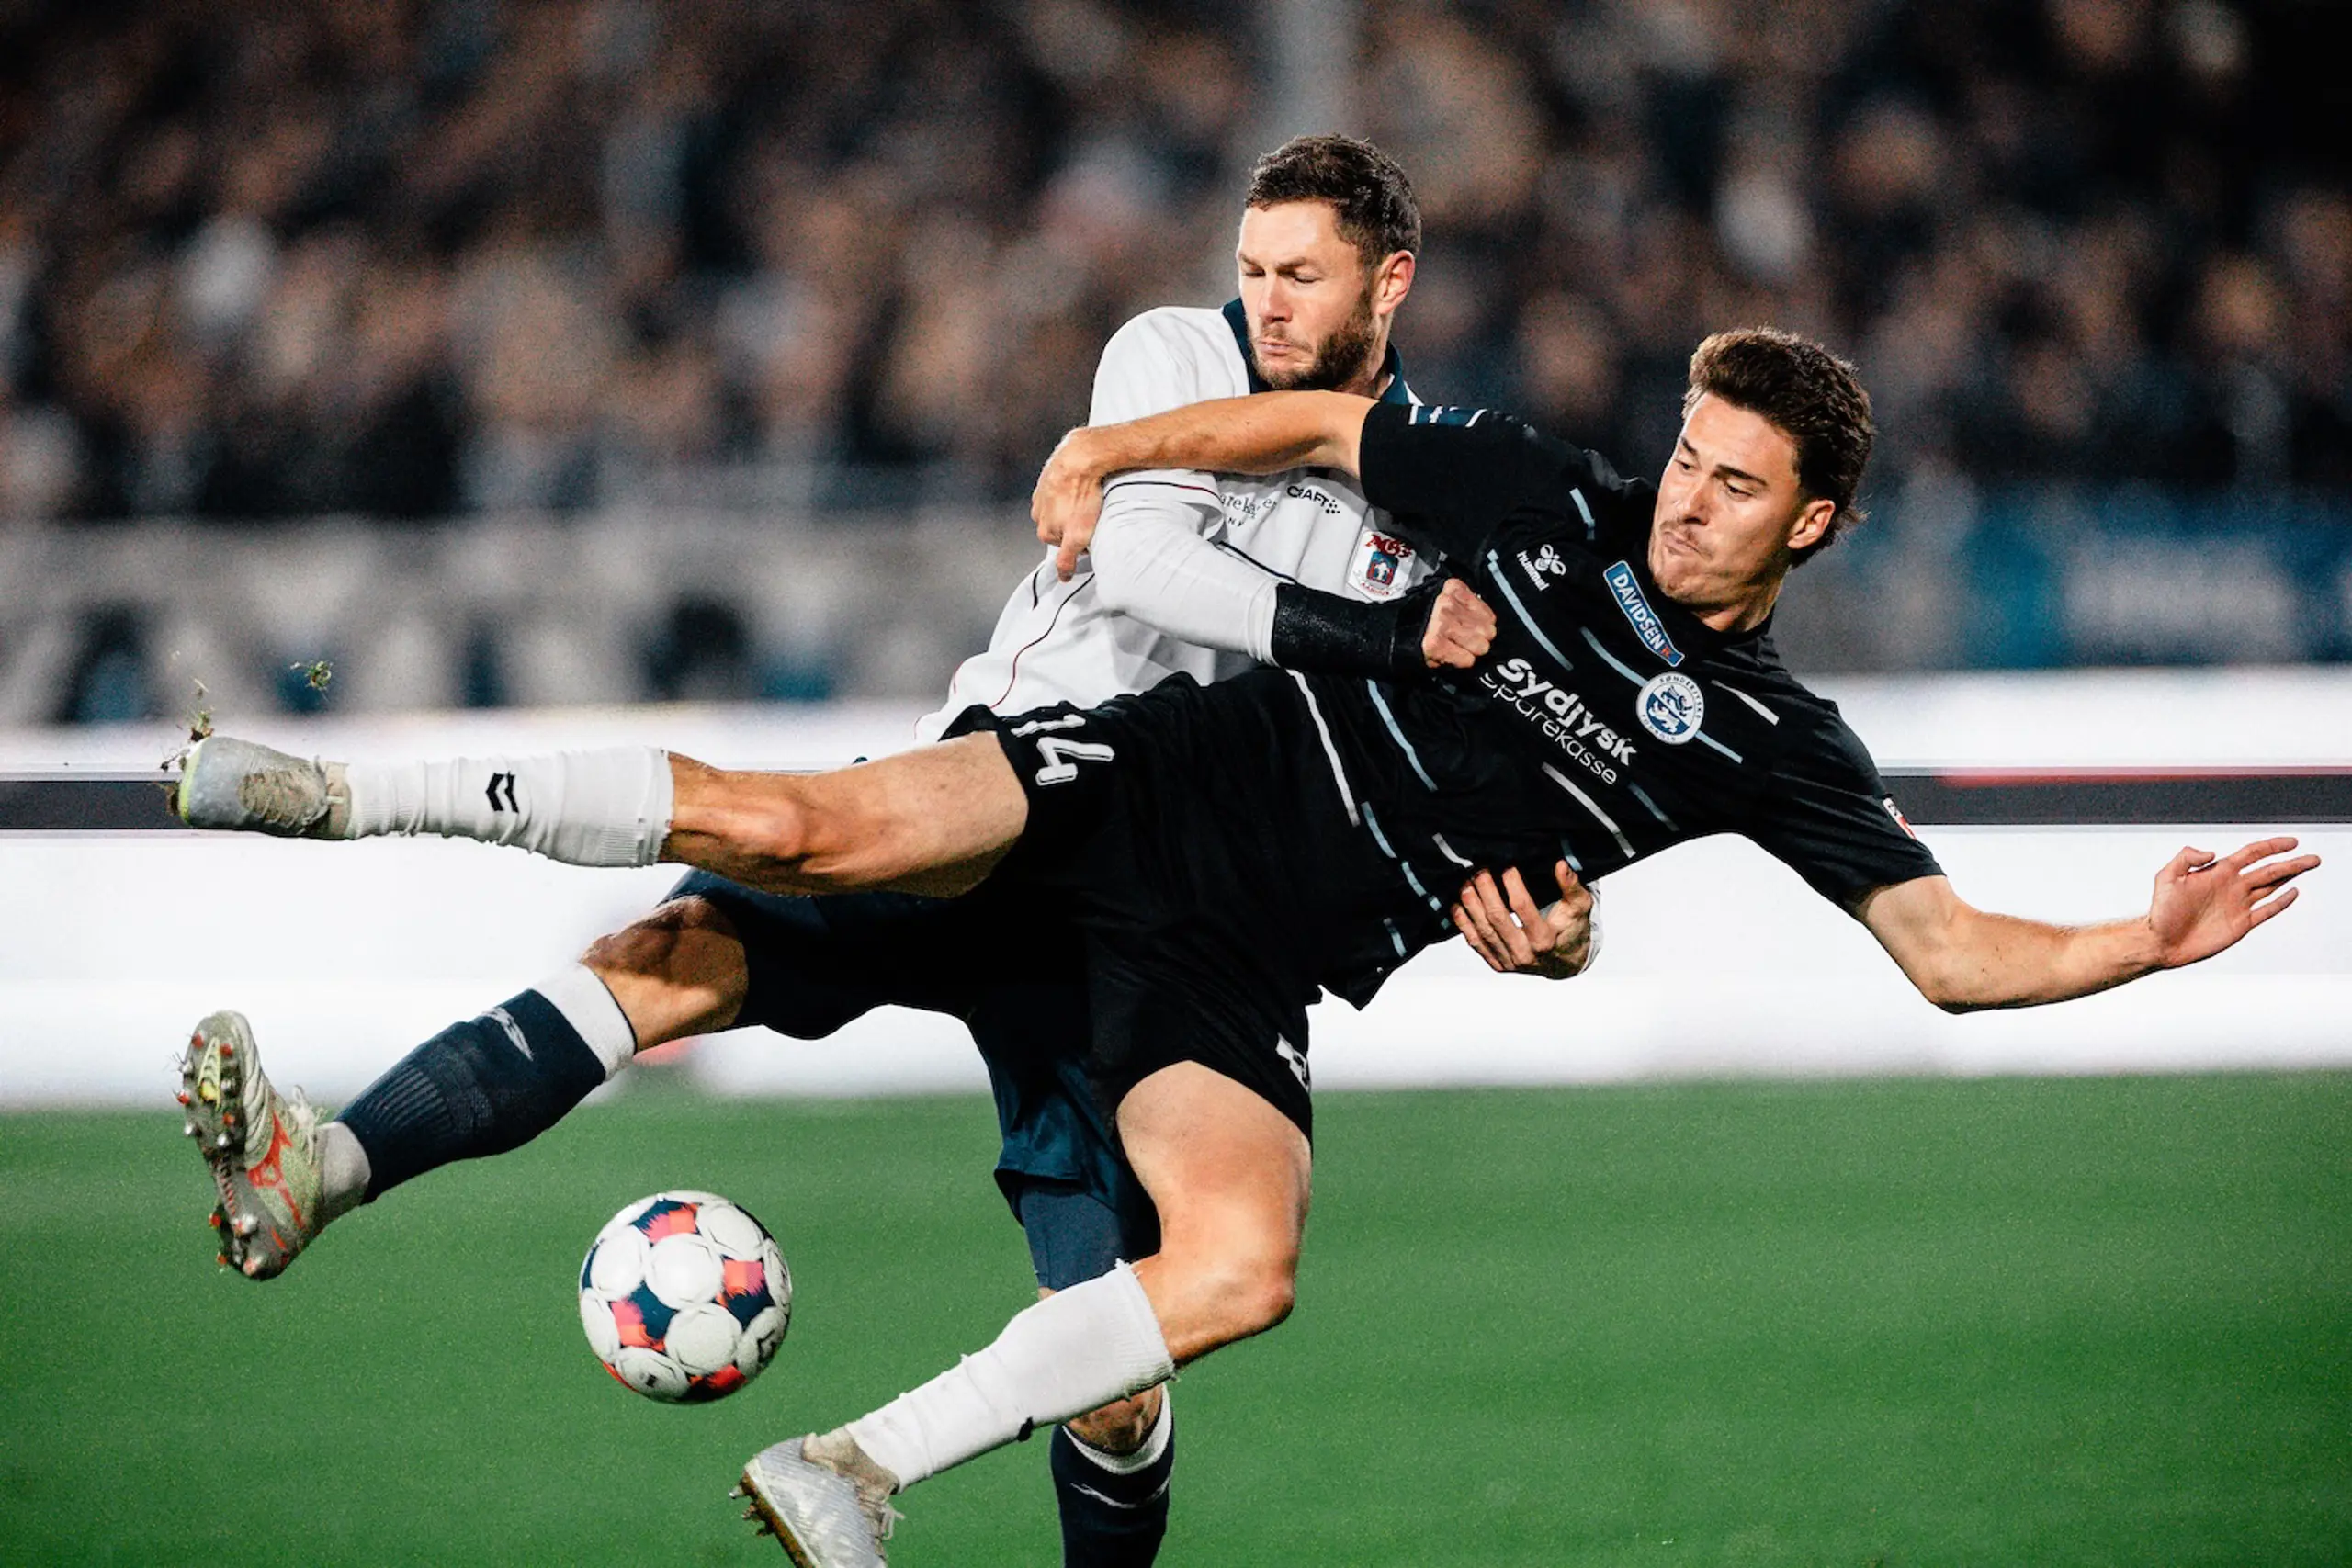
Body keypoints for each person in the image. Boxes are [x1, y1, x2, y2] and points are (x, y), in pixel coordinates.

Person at [175, 325, 2316, 1563]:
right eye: (1688, 458)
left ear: (1809, 524)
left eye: (1733, 487)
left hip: (1238, 966)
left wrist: (2137, 941)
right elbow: (1305, 428)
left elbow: (1944, 952)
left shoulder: (1766, 741)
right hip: (1137, 789)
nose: (1683, 500)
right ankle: (333, 805)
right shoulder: (1542, 497)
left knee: (1236, 1269)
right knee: (789, 833)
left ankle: (854, 1466)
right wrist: (1111, 446)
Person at [168, 135, 1593, 1568]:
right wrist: (1388, 634)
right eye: (1253, 267)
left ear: (1391, 283)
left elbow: (1467, 754)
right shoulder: (1175, 354)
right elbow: (1154, 565)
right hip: (1009, 787)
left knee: (1115, 1372)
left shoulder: (1434, 494)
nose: (1268, 301)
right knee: (668, 954)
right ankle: (325, 1154)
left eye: (1303, 276)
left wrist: (1552, 914)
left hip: (1171, 918)